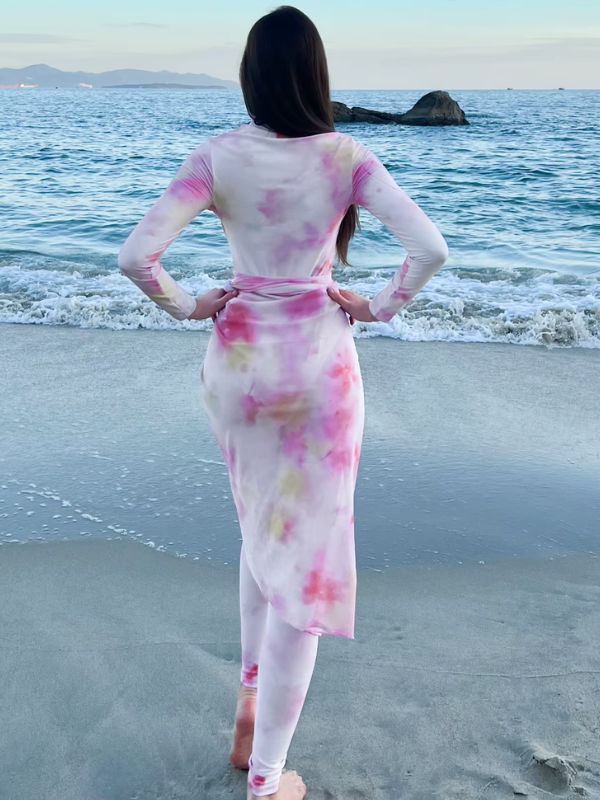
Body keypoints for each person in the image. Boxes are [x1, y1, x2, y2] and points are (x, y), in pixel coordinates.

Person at [117, 6, 449, 798]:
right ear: (317, 75)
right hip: (317, 375)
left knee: (260, 532)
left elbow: (136, 256)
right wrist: (375, 305)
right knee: (305, 565)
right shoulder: (347, 156)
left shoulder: (218, 156)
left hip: (236, 370)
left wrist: (190, 304)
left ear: (252, 75)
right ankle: (267, 777)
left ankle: (248, 711)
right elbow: (430, 249)